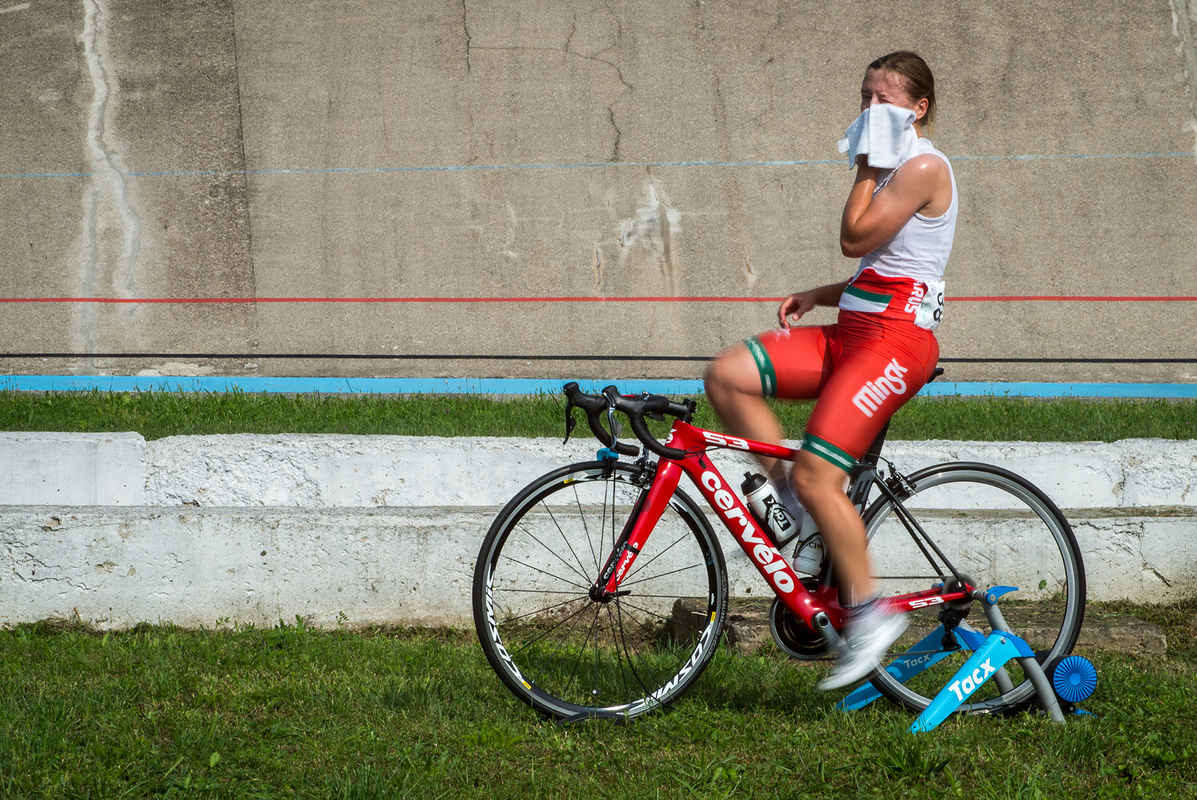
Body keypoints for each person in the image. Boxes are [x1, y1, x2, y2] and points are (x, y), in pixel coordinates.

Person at [703, 51, 957, 690]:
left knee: (824, 472)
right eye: (865, 97)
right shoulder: (897, 165)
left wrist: (869, 163)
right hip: (854, 331)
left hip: (896, 344)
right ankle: (793, 500)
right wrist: (821, 293)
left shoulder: (923, 165)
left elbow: (855, 233)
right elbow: (886, 263)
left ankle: (870, 615)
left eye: (884, 100)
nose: (869, 110)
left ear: (918, 109)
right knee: (727, 374)